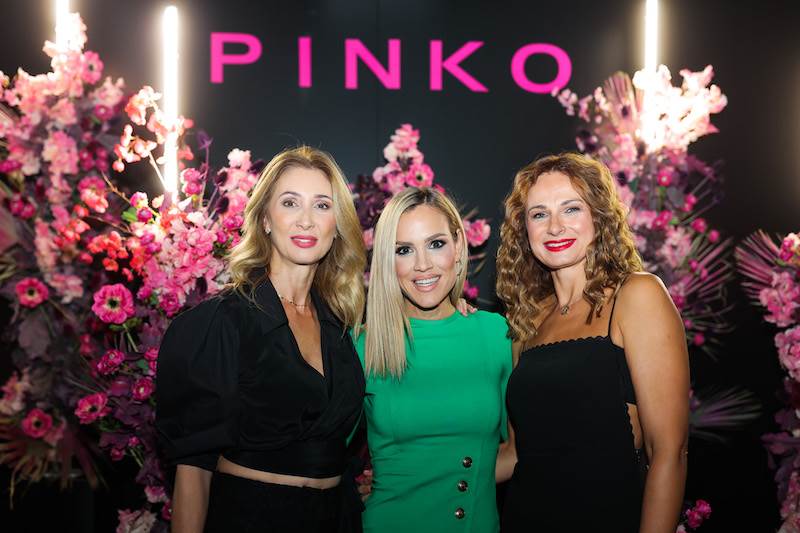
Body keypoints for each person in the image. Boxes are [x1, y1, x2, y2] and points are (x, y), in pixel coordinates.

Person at [155, 146, 367, 533]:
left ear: (337, 225)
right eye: (290, 203)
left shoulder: (341, 326)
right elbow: (194, 471)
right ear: (266, 219)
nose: (306, 220)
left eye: (322, 205)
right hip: (253, 517)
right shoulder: (223, 322)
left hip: (339, 519)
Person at [495, 152, 689, 532]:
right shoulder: (526, 321)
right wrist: (415, 475)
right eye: (539, 214)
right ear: (524, 230)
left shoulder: (636, 296)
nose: (554, 227)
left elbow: (669, 452)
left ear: (598, 217)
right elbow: (516, 455)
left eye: (571, 209)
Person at [355, 187, 512, 533]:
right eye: (404, 250)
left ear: (458, 246)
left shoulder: (495, 335)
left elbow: (519, 453)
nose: (422, 264)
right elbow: (317, 452)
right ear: (387, 261)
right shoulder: (365, 345)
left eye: (436, 244)